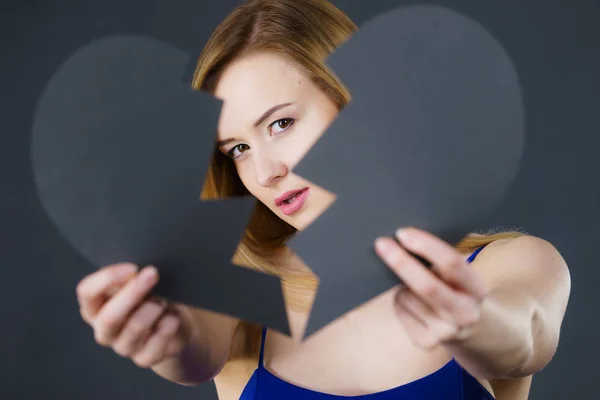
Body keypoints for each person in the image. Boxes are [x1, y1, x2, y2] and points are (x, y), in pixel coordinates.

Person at [75, 0, 572, 399]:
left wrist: (473, 319)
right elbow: (191, 352)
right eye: (239, 149)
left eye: (282, 123)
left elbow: (525, 338)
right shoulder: (240, 294)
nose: (266, 171)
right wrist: (160, 333)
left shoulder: (508, 264)